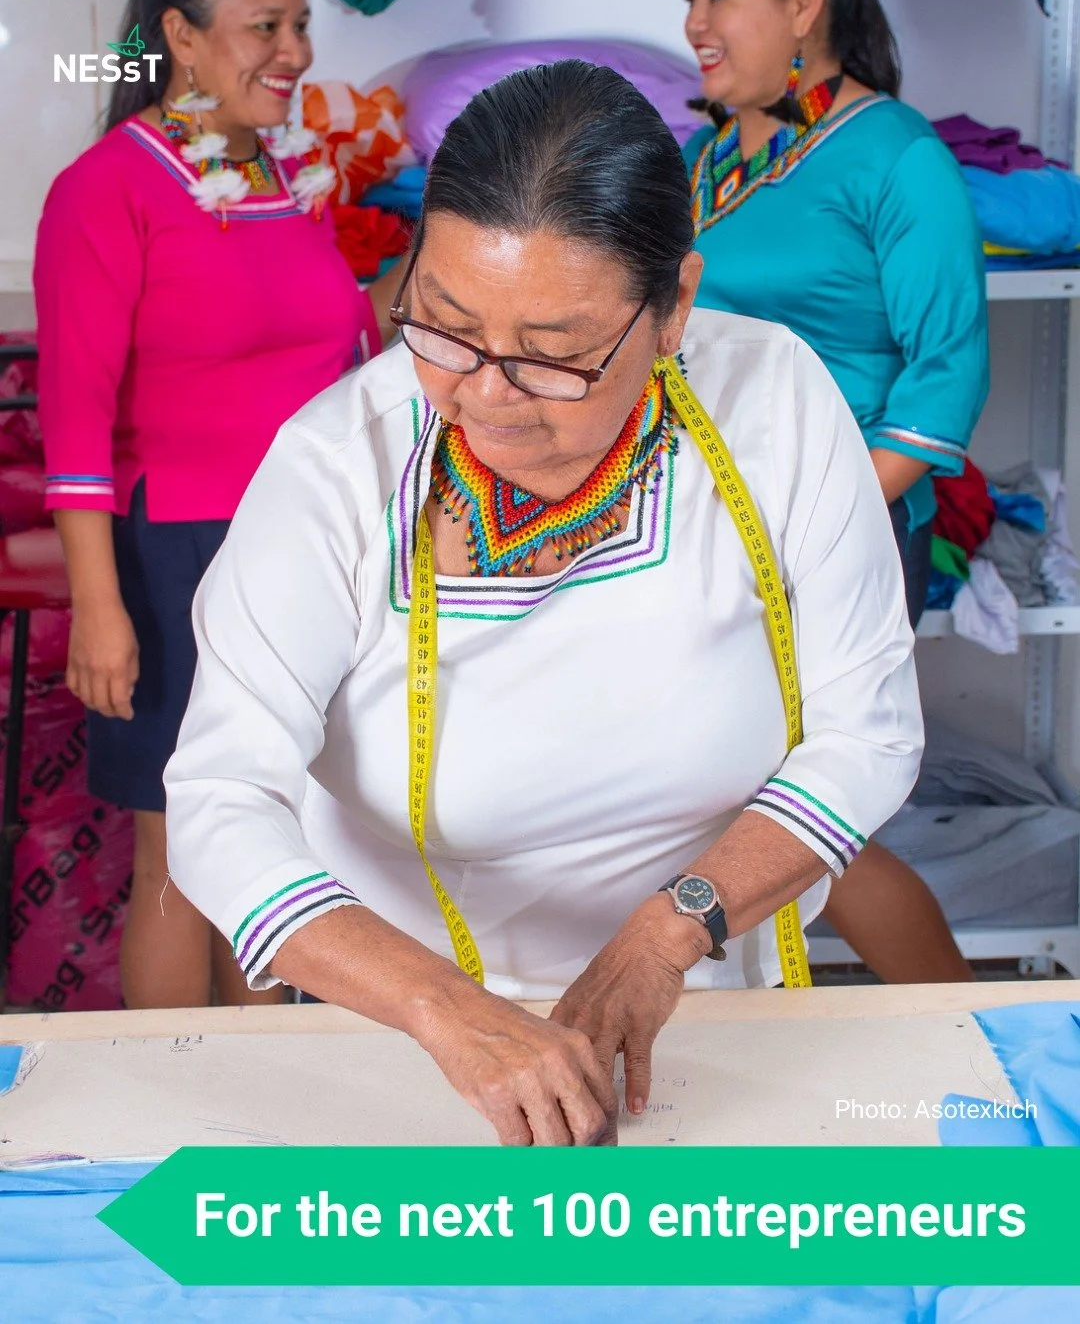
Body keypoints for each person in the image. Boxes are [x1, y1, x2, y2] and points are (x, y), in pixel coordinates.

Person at [165, 60, 923, 1145]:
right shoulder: (338, 468)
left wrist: (667, 935)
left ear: (674, 312)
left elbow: (870, 732)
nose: (484, 392)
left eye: (554, 357)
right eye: (443, 325)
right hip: (405, 1047)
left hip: (720, 1022)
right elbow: (218, 798)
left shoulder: (777, 403)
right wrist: (445, 1009)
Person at [33, 0, 398, 1010]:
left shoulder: (285, 177)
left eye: (302, 26)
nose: (294, 51)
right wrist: (100, 609)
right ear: (182, 39)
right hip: (179, 558)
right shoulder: (107, 186)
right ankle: (172, 1107)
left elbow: (330, 346)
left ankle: (267, 1103)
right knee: (184, 847)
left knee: (282, 841)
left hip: (307, 549)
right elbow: (76, 419)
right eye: (265, 28)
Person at [681, 0, 990, 983]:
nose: (694, 25)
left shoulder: (899, 158)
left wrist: (824, 524)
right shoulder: (713, 155)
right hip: (715, 532)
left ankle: (968, 1044)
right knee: (725, 809)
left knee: (805, 823)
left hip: (834, 538)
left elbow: (946, 378)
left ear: (805, 1)